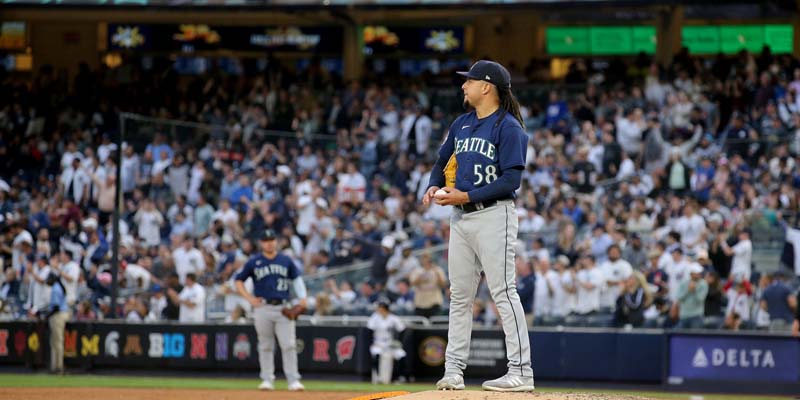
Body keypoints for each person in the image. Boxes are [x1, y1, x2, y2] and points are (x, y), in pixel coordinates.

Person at [423, 60, 534, 392]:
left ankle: (521, 371)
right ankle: (454, 370)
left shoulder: (508, 126)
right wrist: (433, 184)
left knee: (503, 292)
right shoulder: (462, 123)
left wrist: (464, 196)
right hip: (462, 218)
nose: (463, 86)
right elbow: (442, 161)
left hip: (493, 214)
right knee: (459, 296)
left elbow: (511, 179)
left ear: (487, 87)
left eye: (468, 81)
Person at [235, 229, 307, 392]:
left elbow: (296, 279)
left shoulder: (285, 260)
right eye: (266, 240)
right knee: (265, 345)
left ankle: (293, 380)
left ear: (276, 241)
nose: (269, 243)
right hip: (263, 307)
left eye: (272, 239)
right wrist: (249, 298)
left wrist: (303, 297)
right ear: (261, 243)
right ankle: (267, 379)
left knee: (288, 345)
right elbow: (238, 280)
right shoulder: (254, 261)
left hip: (283, 307)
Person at [367, 298, 409, 384]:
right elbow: (369, 331)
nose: (378, 309)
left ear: (384, 308)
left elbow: (402, 330)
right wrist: (372, 343)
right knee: (376, 354)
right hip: (378, 343)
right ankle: (378, 377)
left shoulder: (393, 318)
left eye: (380, 307)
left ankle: (401, 377)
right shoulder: (375, 317)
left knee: (401, 354)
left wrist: (399, 342)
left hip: (390, 344)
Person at [43, 273, 69, 374]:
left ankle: (58, 367)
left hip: (58, 316)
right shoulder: (58, 287)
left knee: (57, 342)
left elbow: (56, 307)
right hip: (60, 315)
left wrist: (46, 316)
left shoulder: (55, 288)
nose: (47, 280)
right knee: (55, 342)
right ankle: (55, 366)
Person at [675, 264, 708, 329]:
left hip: (697, 315)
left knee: (695, 337)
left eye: (699, 273)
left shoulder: (703, 284)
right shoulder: (683, 283)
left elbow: (701, 299)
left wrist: (694, 291)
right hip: (684, 315)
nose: (698, 275)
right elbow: (679, 297)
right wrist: (688, 291)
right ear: (691, 274)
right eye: (696, 273)